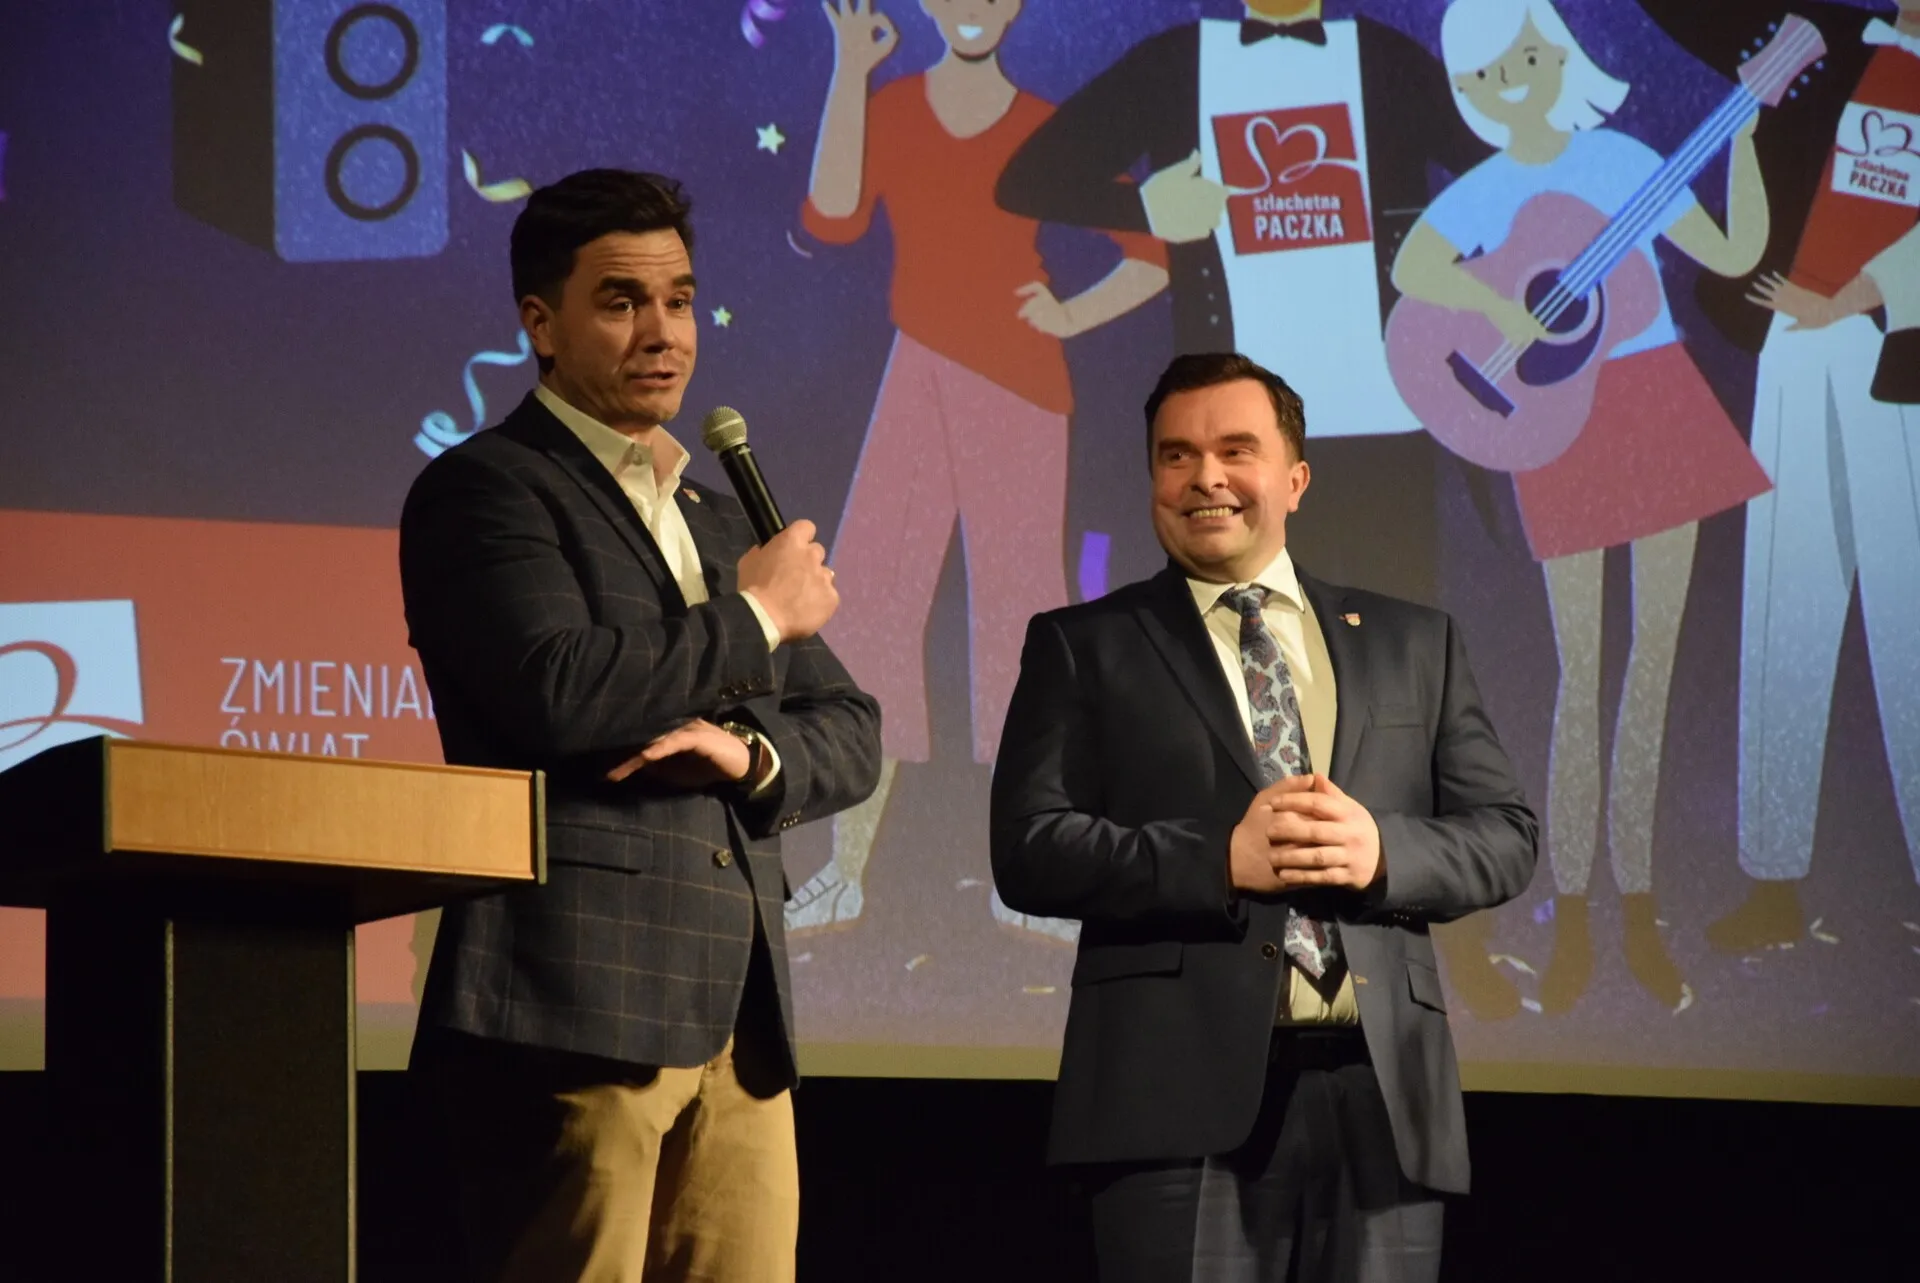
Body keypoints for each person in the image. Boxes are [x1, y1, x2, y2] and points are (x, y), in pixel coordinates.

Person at [399, 169, 881, 1283]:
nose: (663, 332)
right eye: (621, 302)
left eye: (681, 300)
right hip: (573, 1003)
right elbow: (555, 686)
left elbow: (850, 725)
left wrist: (750, 754)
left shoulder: (712, 514)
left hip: (742, 1025)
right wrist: (757, 616)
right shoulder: (488, 488)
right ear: (541, 323)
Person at [991, 351, 1537, 1282]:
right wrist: (1219, 860)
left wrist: (1382, 851)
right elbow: (1029, 847)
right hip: (1171, 1107)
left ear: (1295, 479)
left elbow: (1506, 834)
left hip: (1387, 1100)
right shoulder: (1084, 645)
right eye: (1176, 455)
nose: (1205, 477)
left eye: (1235, 450)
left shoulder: (1413, 641)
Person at [1388, 0, 1772, 1012]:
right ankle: (1572, 913)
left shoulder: (1623, 161)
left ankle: (1638, 909)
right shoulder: (1488, 189)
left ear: (1556, 55)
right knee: (1582, 673)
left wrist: (1746, 137)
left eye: (1522, 57)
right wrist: (1496, 303)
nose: (1508, 83)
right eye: (1485, 73)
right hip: (1560, 425)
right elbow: (1413, 267)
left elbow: (1735, 253)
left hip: (1660, 406)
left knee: (1652, 667)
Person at [785, 0, 1168, 941]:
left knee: (1019, 620)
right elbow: (831, 217)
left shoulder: (1047, 127)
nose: (972, 9)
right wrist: (848, 68)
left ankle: (1027, 876)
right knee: (870, 607)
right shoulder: (892, 107)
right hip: (917, 371)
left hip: (1019, 388)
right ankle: (844, 872)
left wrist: (1071, 316)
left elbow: (1155, 250)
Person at [1631, 0, 1920, 953]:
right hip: (1796, 341)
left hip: (1898, 362)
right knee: (1784, 607)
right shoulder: (1831, 37)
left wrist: (1860, 295)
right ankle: (1774, 879)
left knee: (1909, 626)